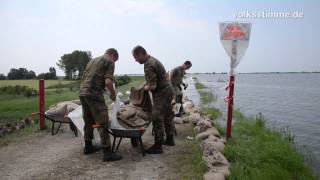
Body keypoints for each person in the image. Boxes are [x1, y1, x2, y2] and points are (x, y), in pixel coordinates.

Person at [79, 48, 122, 161]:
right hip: (94, 94)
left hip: (83, 92)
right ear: (113, 55)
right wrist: (113, 94)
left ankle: (88, 146)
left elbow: (88, 77)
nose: (115, 62)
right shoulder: (109, 61)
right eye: (116, 59)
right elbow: (108, 82)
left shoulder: (93, 61)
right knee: (103, 121)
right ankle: (107, 152)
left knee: (88, 121)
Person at [132, 45, 175, 154]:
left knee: (156, 117)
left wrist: (143, 88)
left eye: (136, 57)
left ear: (141, 53)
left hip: (162, 93)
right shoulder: (153, 60)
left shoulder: (148, 64)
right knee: (167, 115)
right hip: (168, 91)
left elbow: (152, 86)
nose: (135, 60)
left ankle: (158, 145)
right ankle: (170, 139)